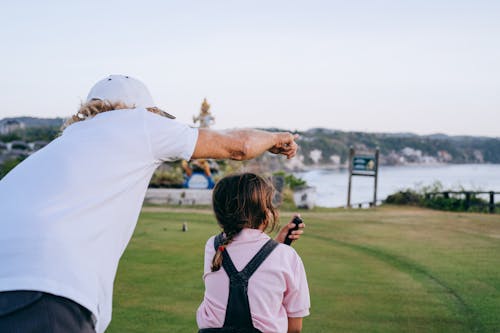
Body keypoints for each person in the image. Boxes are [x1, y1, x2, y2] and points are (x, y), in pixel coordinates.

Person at [0, 75, 302, 333]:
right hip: (44, 286)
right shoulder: (135, 123)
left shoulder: (63, 144)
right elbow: (240, 147)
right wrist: (279, 137)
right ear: (144, 110)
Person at [197, 173, 310, 333]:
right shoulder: (287, 256)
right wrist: (277, 247)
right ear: (265, 211)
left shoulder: (213, 246)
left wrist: (275, 245)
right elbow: (295, 327)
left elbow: (244, 256)